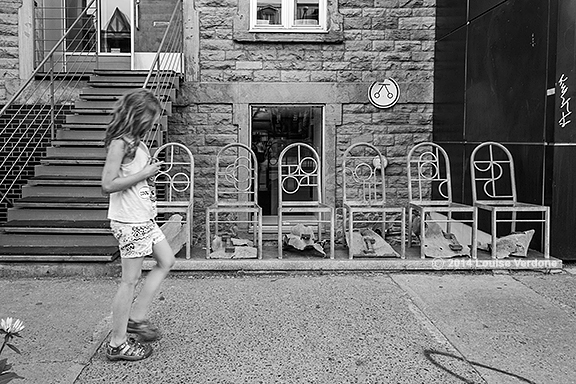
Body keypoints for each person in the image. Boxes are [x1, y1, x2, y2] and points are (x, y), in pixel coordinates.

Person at [101, 88, 175, 361]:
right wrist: (144, 173)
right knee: (128, 281)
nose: (154, 123)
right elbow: (107, 185)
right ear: (138, 116)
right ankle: (117, 343)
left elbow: (135, 178)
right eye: (151, 118)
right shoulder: (119, 143)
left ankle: (136, 318)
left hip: (145, 218)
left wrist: (148, 176)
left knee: (166, 260)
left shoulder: (139, 144)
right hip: (129, 221)